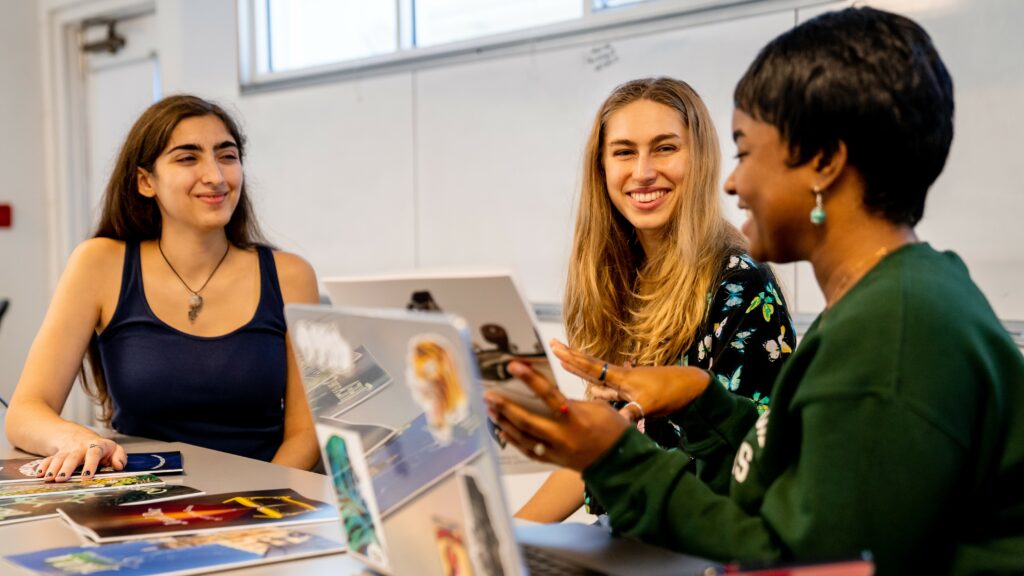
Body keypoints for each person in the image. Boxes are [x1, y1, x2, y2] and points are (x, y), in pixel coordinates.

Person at [486, 7, 1024, 574]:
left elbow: (798, 563)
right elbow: (787, 477)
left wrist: (614, 460)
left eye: (745, 151)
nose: (731, 182)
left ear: (824, 162)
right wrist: (704, 401)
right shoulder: (903, 297)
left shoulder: (891, 334)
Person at [515, 78, 795, 522]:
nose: (643, 172)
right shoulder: (614, 280)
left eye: (665, 148)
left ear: (699, 159)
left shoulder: (741, 288)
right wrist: (504, 542)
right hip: (630, 539)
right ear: (602, 168)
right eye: (624, 152)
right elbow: (597, 459)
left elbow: (746, 476)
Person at [5, 95, 320, 480]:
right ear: (145, 181)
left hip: (263, 505)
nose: (216, 177)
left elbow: (307, 432)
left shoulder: (291, 276)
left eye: (227, 156)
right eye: (188, 158)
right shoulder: (99, 264)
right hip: (142, 502)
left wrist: (251, 505)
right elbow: (25, 410)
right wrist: (73, 437)